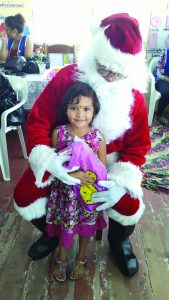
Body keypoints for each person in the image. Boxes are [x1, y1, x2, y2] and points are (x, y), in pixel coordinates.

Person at [13, 13, 151, 277]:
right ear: (93, 58)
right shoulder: (67, 77)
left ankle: (120, 240)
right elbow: (39, 120)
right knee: (24, 194)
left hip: (110, 164)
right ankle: (53, 232)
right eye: (103, 69)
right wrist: (50, 160)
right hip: (62, 156)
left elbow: (138, 147)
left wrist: (120, 183)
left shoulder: (135, 99)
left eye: (118, 73)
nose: (110, 78)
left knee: (129, 204)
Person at [46, 82, 107, 281]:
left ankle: (81, 259)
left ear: (94, 110)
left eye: (86, 108)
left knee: (85, 229)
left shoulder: (98, 137)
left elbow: (102, 171)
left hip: (87, 196)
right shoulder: (59, 133)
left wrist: (89, 177)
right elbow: (54, 164)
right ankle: (62, 259)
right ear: (66, 109)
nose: (80, 114)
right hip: (65, 195)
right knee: (66, 226)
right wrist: (71, 176)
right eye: (74, 108)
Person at [155, 48, 169, 125]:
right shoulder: (165, 53)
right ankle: (159, 115)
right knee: (167, 92)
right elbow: (159, 74)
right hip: (162, 79)